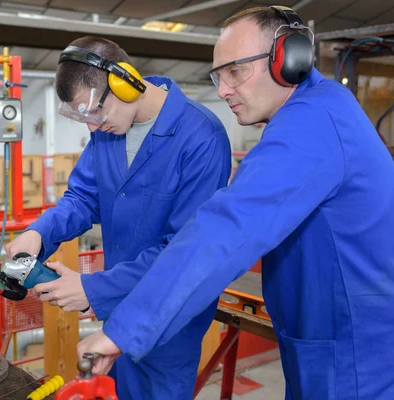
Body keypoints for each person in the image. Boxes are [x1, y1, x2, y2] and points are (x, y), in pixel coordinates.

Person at [77, 6, 394, 400]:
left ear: (287, 61)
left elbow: (226, 228)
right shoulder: (312, 112)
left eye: (235, 72)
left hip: (352, 352)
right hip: (323, 337)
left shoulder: (312, 124)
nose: (223, 89)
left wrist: (122, 329)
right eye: (218, 76)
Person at [4, 36, 232, 399]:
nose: (92, 128)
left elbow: (182, 251)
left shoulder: (201, 137)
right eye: (84, 117)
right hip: (117, 312)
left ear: (125, 83)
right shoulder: (109, 133)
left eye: (95, 113)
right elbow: (81, 198)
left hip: (168, 321)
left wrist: (92, 289)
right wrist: (38, 233)